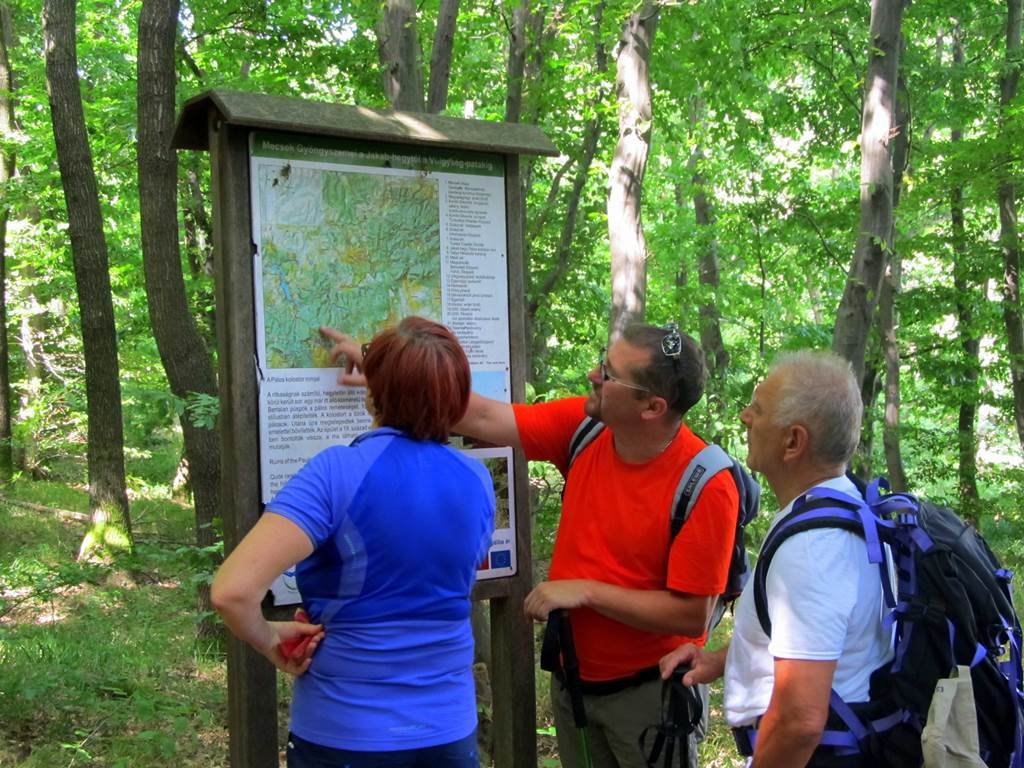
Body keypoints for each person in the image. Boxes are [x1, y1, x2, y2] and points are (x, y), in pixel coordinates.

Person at [322, 321, 740, 768]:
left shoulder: (705, 484)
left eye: (609, 372)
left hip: (649, 696)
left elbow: (691, 611)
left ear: (653, 406)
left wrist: (586, 591)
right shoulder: (586, 429)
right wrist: (382, 365)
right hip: (575, 684)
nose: (592, 375)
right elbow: (480, 415)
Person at [211, 316, 495, 768]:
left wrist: (270, 641)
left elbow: (231, 592)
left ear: (372, 392)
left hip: (345, 733)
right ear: (456, 395)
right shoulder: (477, 480)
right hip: (448, 732)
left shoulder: (335, 473)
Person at [659, 350, 894, 768]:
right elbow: (821, 639)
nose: (745, 417)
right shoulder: (846, 505)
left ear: (793, 441)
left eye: (759, 409)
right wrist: (723, 659)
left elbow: (800, 721)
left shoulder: (813, 548)